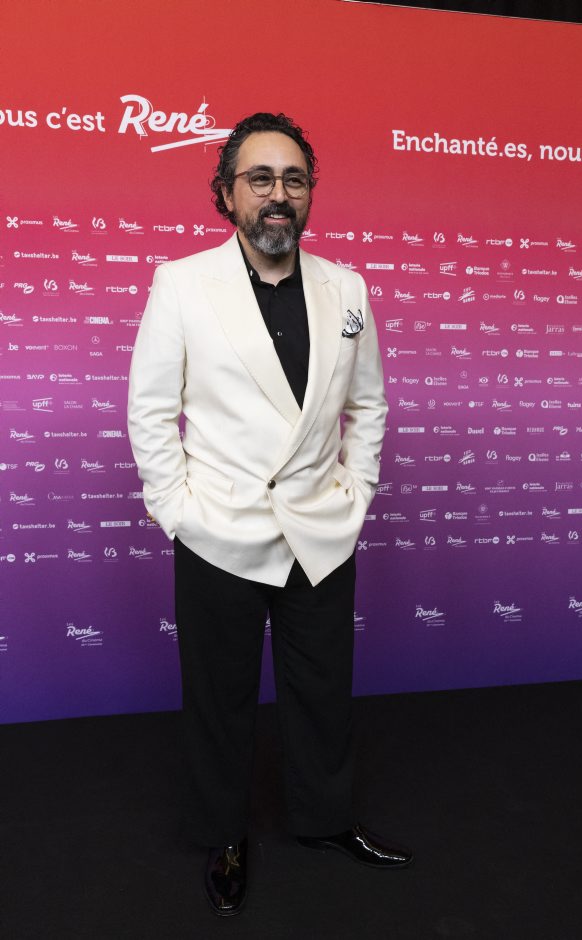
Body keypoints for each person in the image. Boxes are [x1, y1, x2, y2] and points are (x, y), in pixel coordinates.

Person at [127, 112, 412, 917]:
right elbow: (151, 411)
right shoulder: (182, 284)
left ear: (310, 192)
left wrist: (356, 493)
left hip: (321, 529)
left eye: (293, 178)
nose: (277, 194)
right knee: (219, 698)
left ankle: (324, 819)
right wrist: (178, 511)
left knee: (322, 690)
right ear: (226, 194)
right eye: (260, 178)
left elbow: (369, 404)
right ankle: (225, 835)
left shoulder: (347, 289)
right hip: (219, 531)